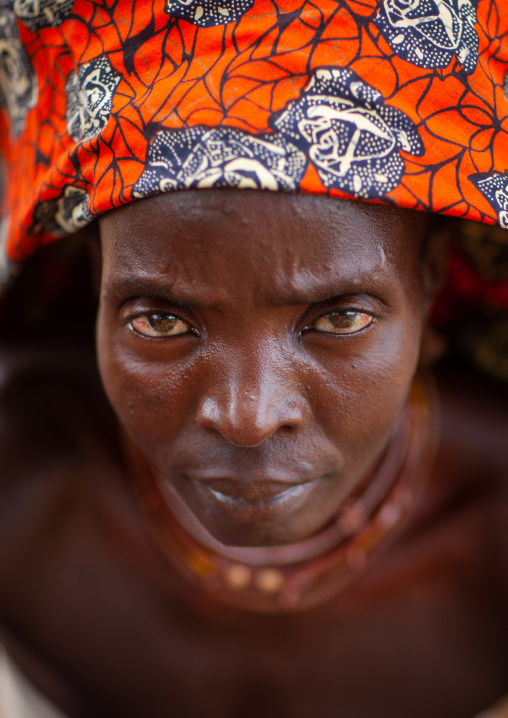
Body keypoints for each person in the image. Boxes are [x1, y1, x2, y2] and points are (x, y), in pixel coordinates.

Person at [0, 1, 508, 716]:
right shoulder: (19, 476)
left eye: (337, 318)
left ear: (431, 287)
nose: (247, 418)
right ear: (94, 285)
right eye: (161, 319)